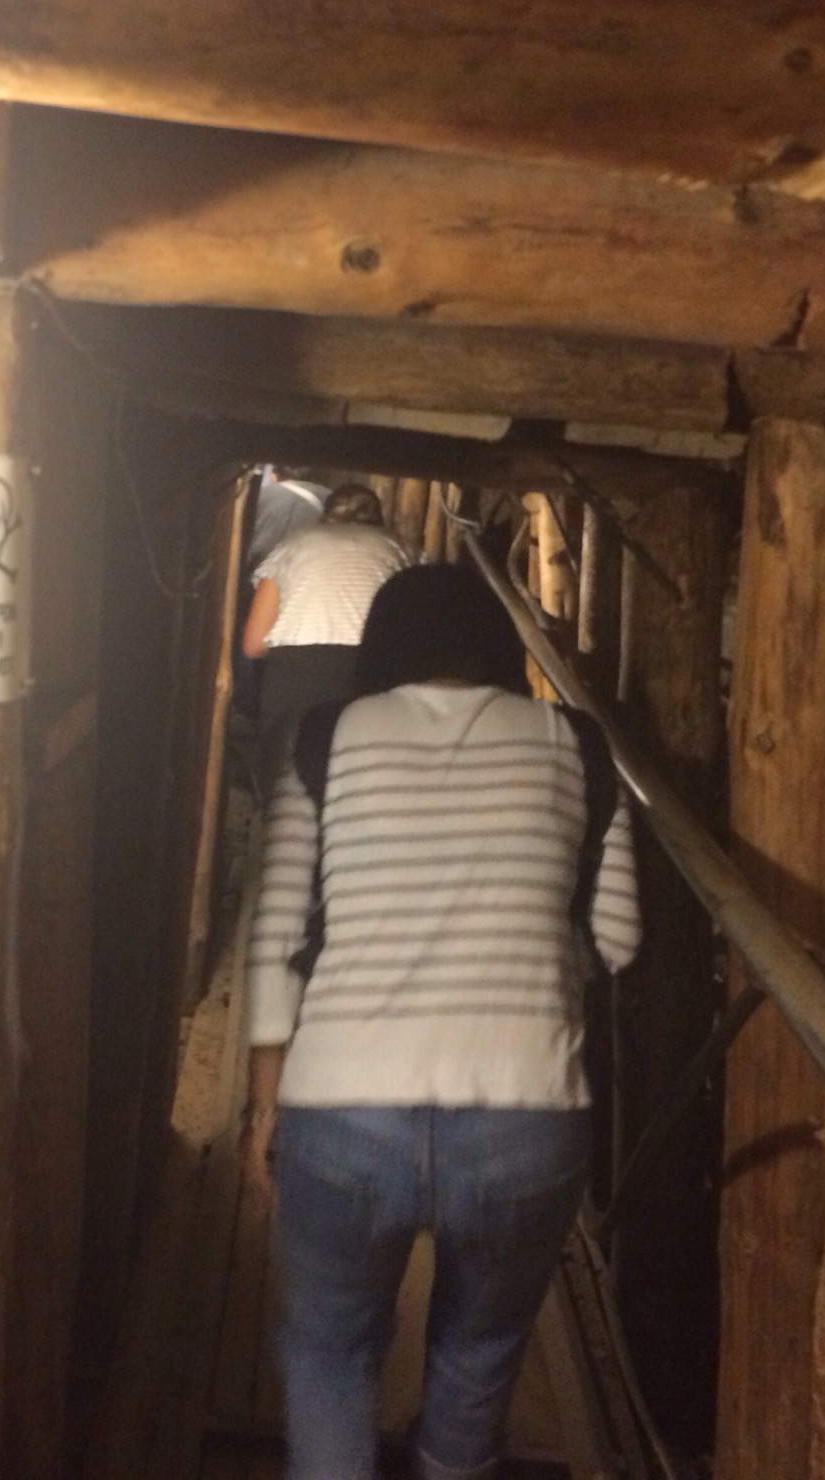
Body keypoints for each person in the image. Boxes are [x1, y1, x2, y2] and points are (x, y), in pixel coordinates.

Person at [244, 564, 642, 1480]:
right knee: (480, 1353)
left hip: (343, 1110)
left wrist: (264, 1109)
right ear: (499, 643)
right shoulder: (578, 746)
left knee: (329, 1349)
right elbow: (619, 941)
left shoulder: (323, 739)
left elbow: (276, 931)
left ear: (383, 645)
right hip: (526, 1113)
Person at [243, 483, 411, 797]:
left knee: (286, 788)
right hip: (370, 672)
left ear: (325, 515)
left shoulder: (293, 546)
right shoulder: (400, 549)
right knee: (359, 786)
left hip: (295, 675)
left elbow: (253, 643)